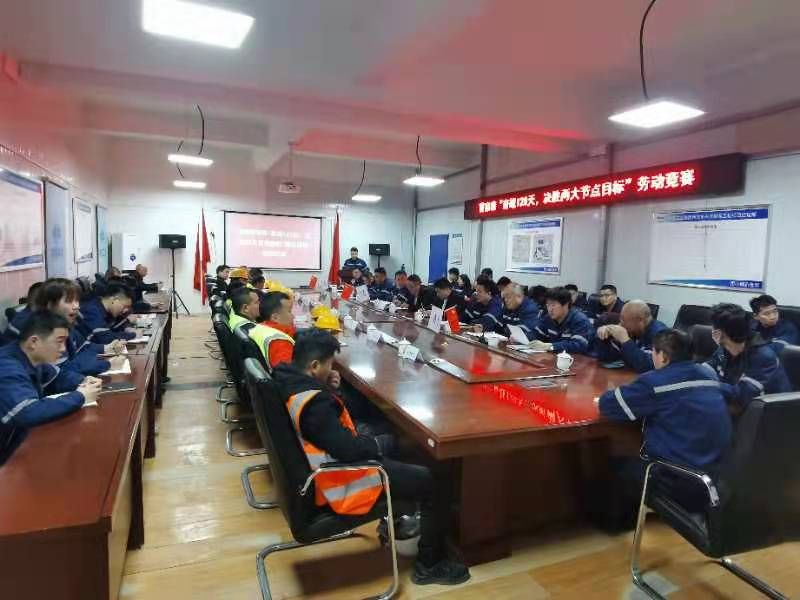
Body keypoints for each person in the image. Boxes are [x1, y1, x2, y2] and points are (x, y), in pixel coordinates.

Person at [273, 330, 470, 585]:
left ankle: (398, 522)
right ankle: (429, 564)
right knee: (434, 480)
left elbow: (330, 431)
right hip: (342, 480)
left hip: (326, 466)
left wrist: (329, 388)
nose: (332, 369)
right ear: (314, 366)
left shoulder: (288, 380)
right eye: (329, 364)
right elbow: (348, 449)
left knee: (393, 441)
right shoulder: (315, 405)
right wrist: (378, 444)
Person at [598, 329, 732, 523]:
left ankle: (623, 522)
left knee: (615, 464)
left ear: (663, 356)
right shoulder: (709, 375)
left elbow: (608, 405)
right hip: (717, 479)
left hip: (681, 481)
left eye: (653, 351)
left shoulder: (654, 382)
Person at [0, 311, 102, 463]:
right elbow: (26, 412)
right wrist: (80, 396)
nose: (63, 349)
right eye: (59, 342)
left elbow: (58, 377)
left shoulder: (30, 357)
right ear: (33, 342)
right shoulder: (6, 366)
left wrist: (83, 380)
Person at [705, 303, 791, 411]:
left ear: (718, 333)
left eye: (713, 327)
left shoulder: (763, 357)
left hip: (770, 414)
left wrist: (707, 385)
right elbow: (707, 369)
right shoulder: (724, 349)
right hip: (741, 409)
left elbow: (742, 395)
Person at [32, 278, 125, 376]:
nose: (77, 306)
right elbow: (63, 370)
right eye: (69, 301)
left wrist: (107, 348)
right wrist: (107, 364)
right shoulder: (44, 333)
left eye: (77, 300)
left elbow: (84, 347)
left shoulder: (67, 325)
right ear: (49, 305)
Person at [595, 300, 668, 372]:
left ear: (640, 320)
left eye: (624, 320)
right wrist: (603, 337)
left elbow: (650, 366)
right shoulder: (634, 331)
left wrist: (625, 341)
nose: (621, 324)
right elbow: (609, 358)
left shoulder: (660, 334)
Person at [530, 286, 595, 354]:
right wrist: (528, 339)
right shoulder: (548, 318)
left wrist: (551, 346)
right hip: (556, 356)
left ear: (566, 305)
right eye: (548, 305)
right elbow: (536, 334)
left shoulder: (580, 320)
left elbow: (578, 345)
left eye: (553, 305)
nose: (550, 309)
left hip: (580, 358)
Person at [249, 291, 295, 370]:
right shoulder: (280, 342)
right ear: (275, 317)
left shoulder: (260, 327)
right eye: (289, 311)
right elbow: (288, 374)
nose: (293, 316)